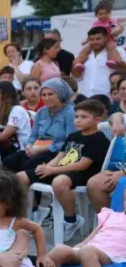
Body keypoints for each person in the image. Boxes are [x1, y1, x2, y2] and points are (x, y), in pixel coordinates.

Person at [18, 97, 110, 238]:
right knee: (20, 177)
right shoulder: (73, 136)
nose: (78, 120)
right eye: (76, 117)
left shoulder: (99, 139)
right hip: (61, 170)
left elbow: (82, 165)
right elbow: (60, 156)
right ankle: (25, 218)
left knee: (59, 182)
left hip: (84, 174)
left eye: (83, 117)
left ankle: (71, 220)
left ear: (97, 120)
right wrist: (47, 167)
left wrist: (52, 170)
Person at [72, 26, 122, 98]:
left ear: (106, 38)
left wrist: (119, 63)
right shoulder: (85, 53)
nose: (95, 42)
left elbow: (123, 71)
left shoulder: (117, 51)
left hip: (108, 98)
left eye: (98, 39)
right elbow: (76, 76)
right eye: (92, 39)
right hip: (85, 97)